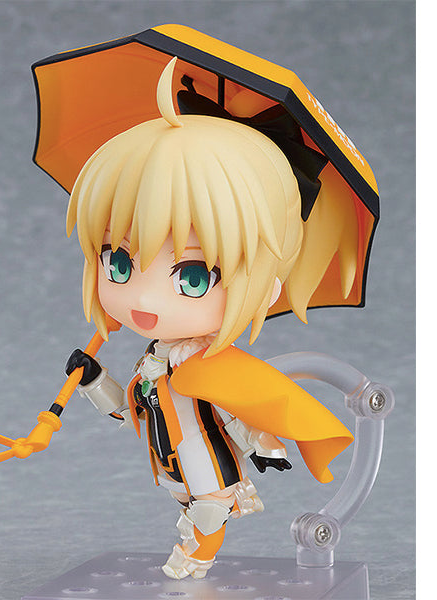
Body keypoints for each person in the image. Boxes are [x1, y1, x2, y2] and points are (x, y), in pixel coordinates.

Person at [63, 58, 355, 580]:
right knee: (191, 508)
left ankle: (195, 560)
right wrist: (93, 381)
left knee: (207, 512)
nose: (143, 296)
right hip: (172, 466)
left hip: (207, 470)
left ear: (267, 286)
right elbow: (134, 413)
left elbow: (245, 403)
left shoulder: (211, 365)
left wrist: (264, 444)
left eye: (193, 276)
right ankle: (192, 551)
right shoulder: (156, 360)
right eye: (119, 262)